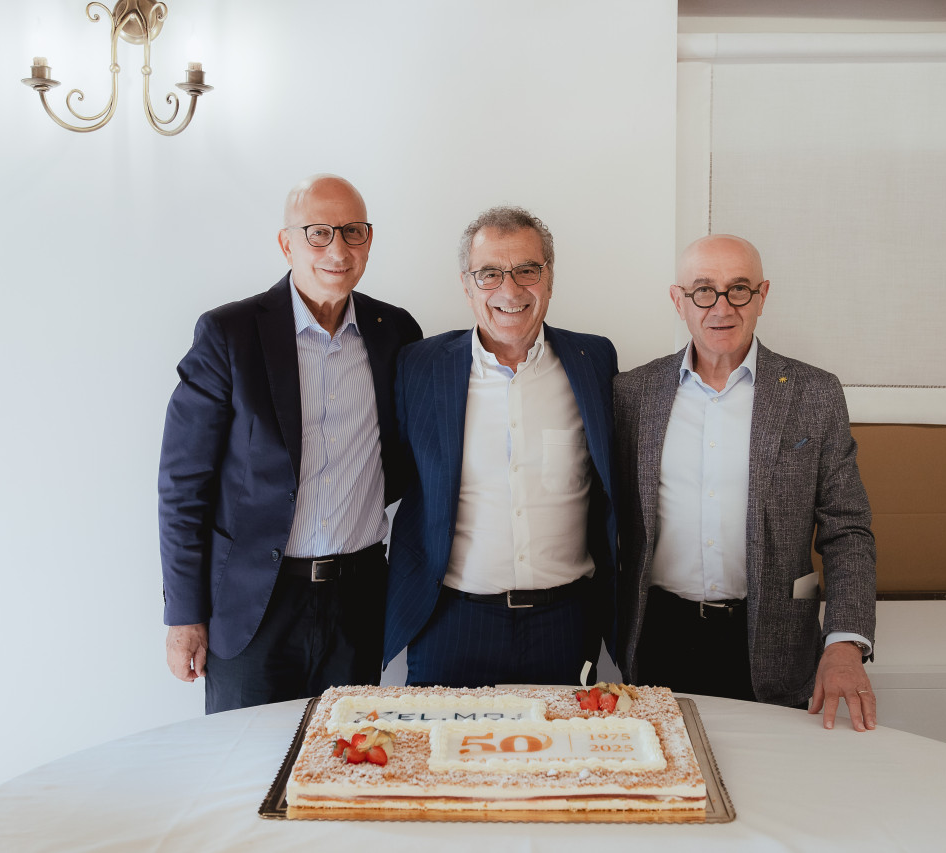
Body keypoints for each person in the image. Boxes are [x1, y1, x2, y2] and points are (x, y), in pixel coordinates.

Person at [158, 174, 422, 713]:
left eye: (352, 231)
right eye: (318, 233)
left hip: (358, 602)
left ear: (369, 239)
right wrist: (184, 616)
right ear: (287, 244)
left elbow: (409, 457)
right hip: (254, 604)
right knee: (246, 759)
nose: (338, 250)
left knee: (346, 756)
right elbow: (184, 486)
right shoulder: (229, 335)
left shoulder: (395, 333)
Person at [614, 234, 877, 731]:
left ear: (762, 296)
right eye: (703, 291)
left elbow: (848, 530)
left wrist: (844, 642)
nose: (722, 307)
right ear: (678, 300)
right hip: (659, 640)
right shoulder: (632, 393)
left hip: (776, 642)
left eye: (738, 289)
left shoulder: (814, 393)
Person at [383, 206, 618, 688]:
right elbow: (394, 474)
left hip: (566, 624)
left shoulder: (594, 360)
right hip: (451, 623)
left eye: (527, 270)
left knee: (564, 741)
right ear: (466, 285)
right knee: (439, 740)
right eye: (489, 274)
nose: (509, 291)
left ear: (549, 279)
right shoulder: (419, 367)